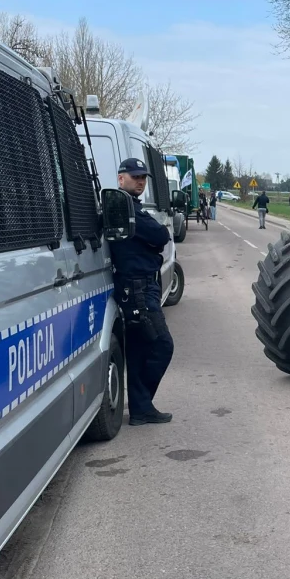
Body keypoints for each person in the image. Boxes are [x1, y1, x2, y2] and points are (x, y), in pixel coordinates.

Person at [109, 158, 176, 425]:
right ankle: (142, 404)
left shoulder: (128, 207)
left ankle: (141, 409)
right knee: (162, 345)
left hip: (139, 287)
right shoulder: (125, 210)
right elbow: (161, 237)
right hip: (138, 290)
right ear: (120, 179)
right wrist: (154, 236)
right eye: (135, 176)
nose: (140, 181)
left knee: (138, 349)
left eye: (143, 177)